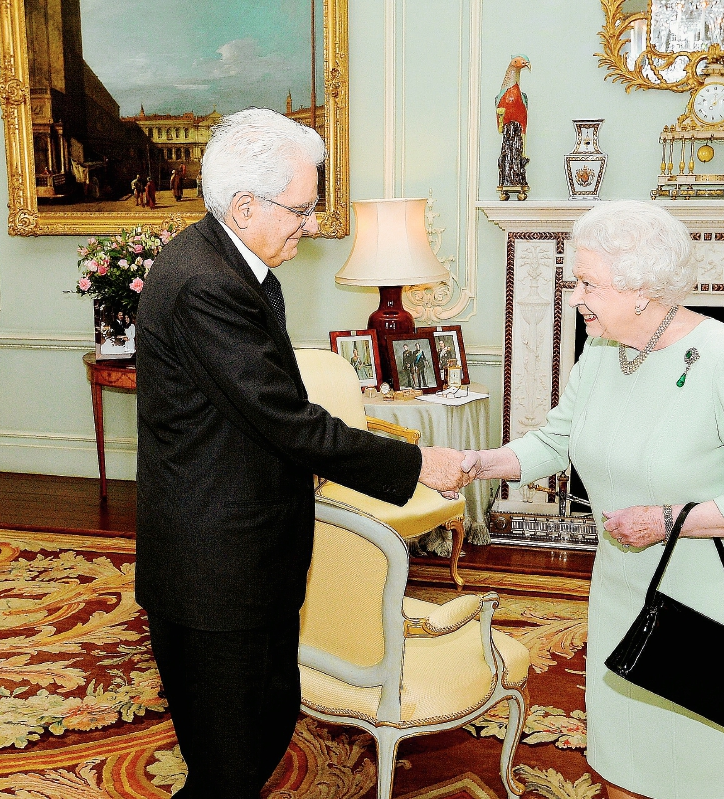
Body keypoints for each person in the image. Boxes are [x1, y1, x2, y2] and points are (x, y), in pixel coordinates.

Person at [135, 107, 471, 799]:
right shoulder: (206, 282)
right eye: (303, 208)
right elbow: (288, 421)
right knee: (229, 762)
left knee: (260, 729)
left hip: (250, 553)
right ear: (246, 204)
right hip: (213, 569)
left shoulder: (231, 262)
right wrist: (415, 465)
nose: (312, 224)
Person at [459, 200, 724, 799]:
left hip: (704, 584)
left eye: (588, 283)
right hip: (622, 572)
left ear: (644, 290)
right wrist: (478, 464)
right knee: (624, 725)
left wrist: (668, 521)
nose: (576, 297)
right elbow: (558, 438)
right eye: (576, 281)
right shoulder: (603, 350)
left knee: (695, 746)